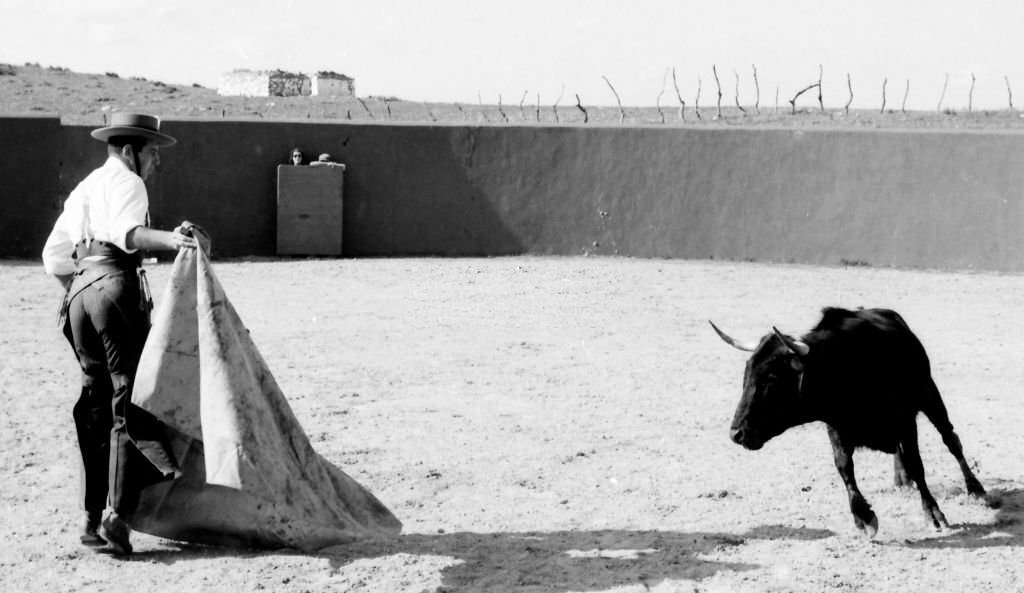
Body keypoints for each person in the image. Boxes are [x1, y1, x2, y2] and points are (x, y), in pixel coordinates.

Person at [42, 112, 201, 556]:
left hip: (78, 296)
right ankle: (119, 515)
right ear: (130, 151)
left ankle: (90, 521)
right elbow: (129, 235)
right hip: (115, 288)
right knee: (127, 402)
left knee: (93, 403)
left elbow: (53, 257)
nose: (155, 161)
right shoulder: (129, 182)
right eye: (152, 152)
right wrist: (176, 241)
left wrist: (86, 290)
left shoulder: (85, 187)